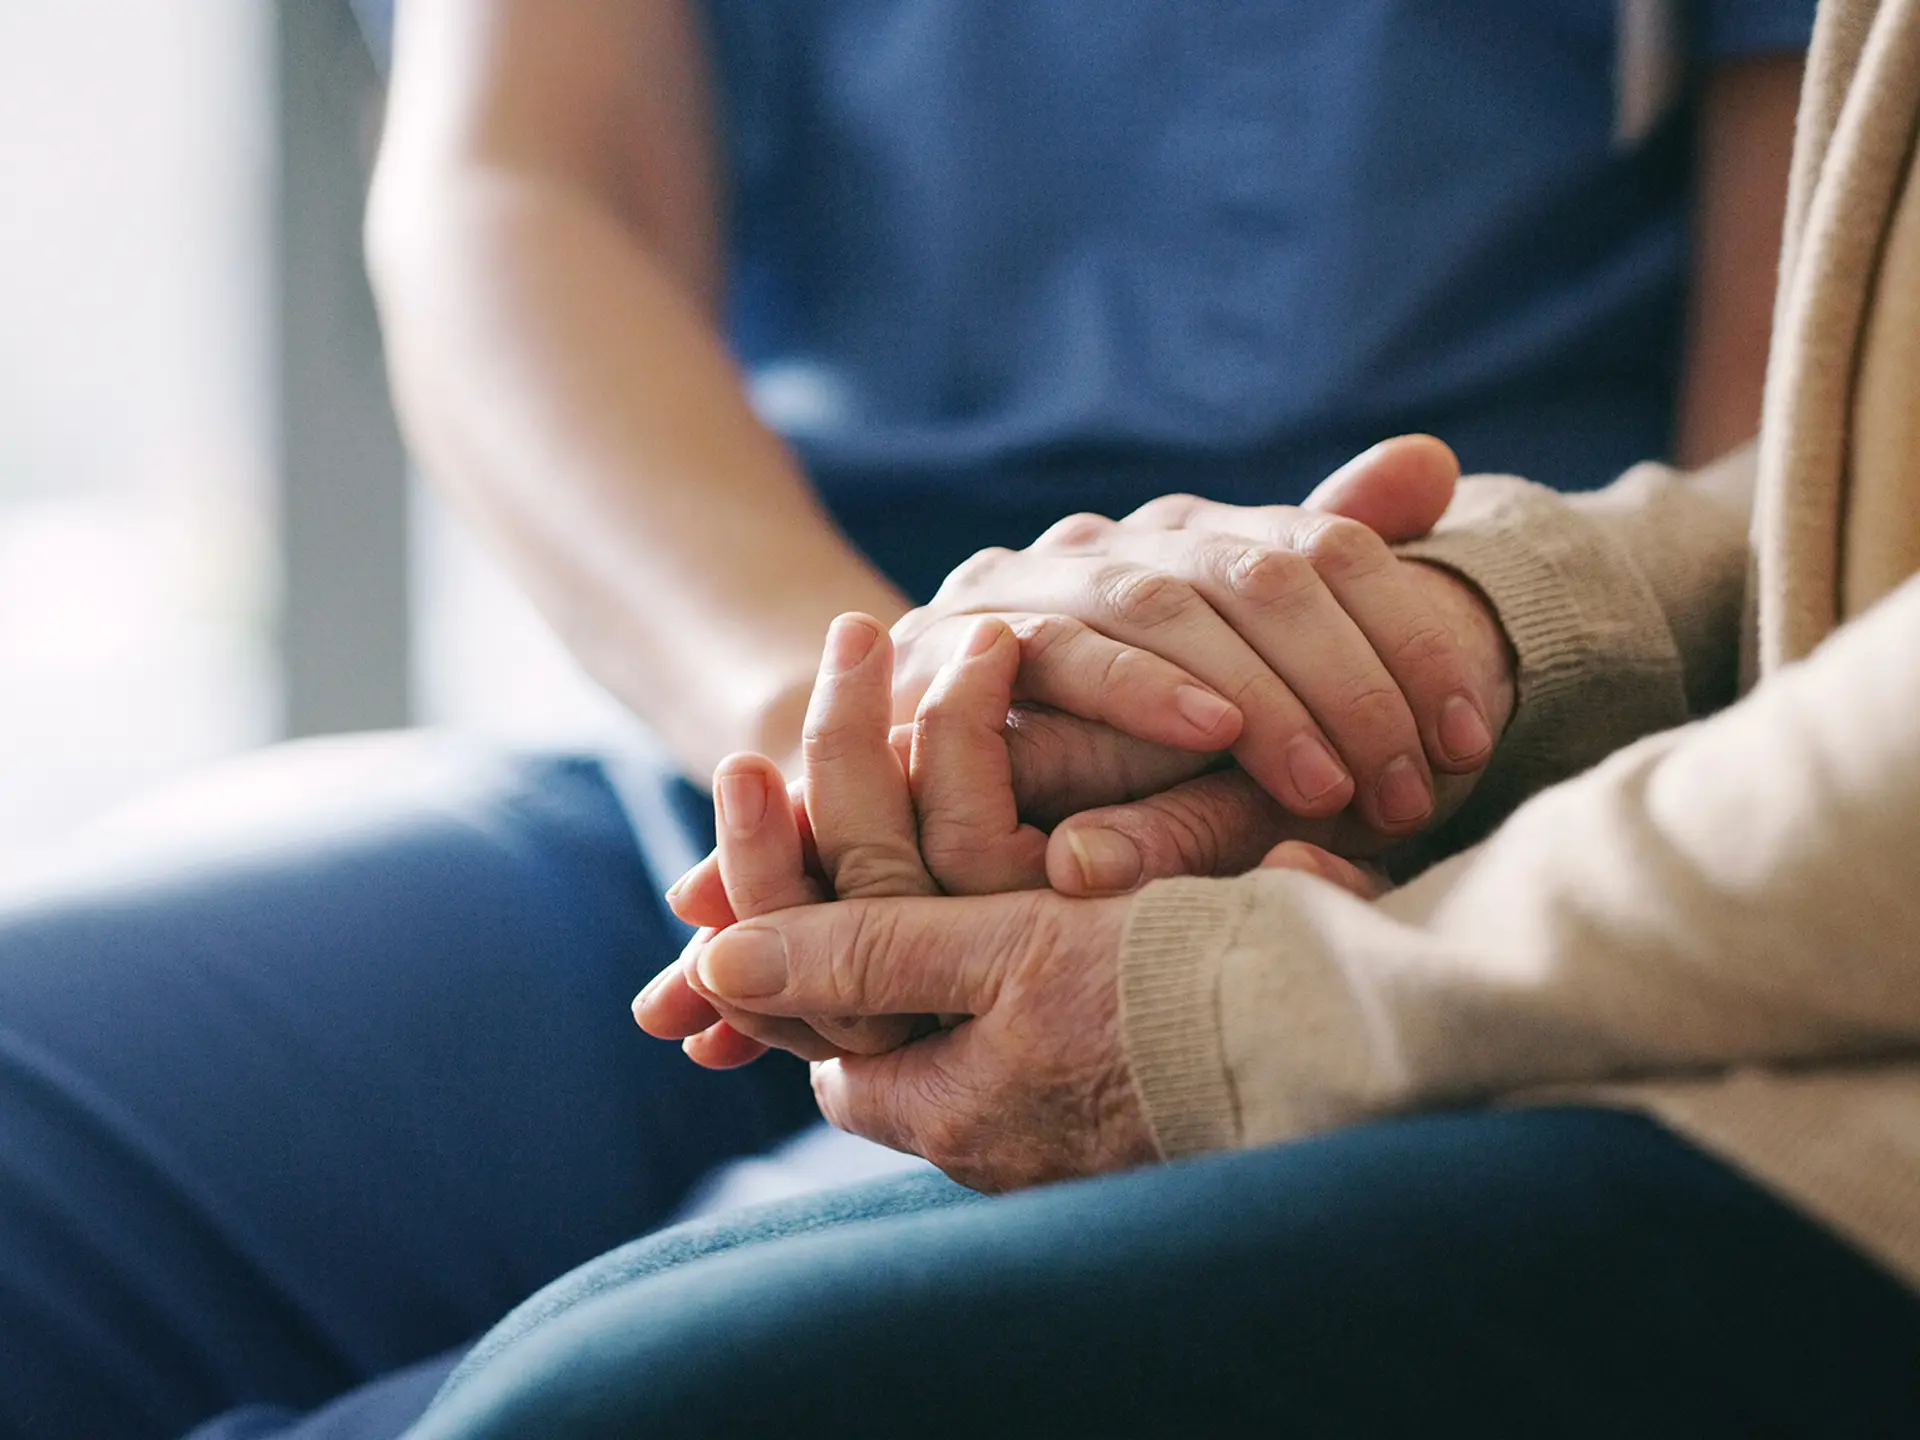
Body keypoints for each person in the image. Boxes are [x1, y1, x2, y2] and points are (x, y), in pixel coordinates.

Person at [0, 3, 1814, 1438]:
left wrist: (1354, 735)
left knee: (573, 1397)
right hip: (734, 754)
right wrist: (834, 728)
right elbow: (516, 190)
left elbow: (1798, 468)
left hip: (1398, 832)